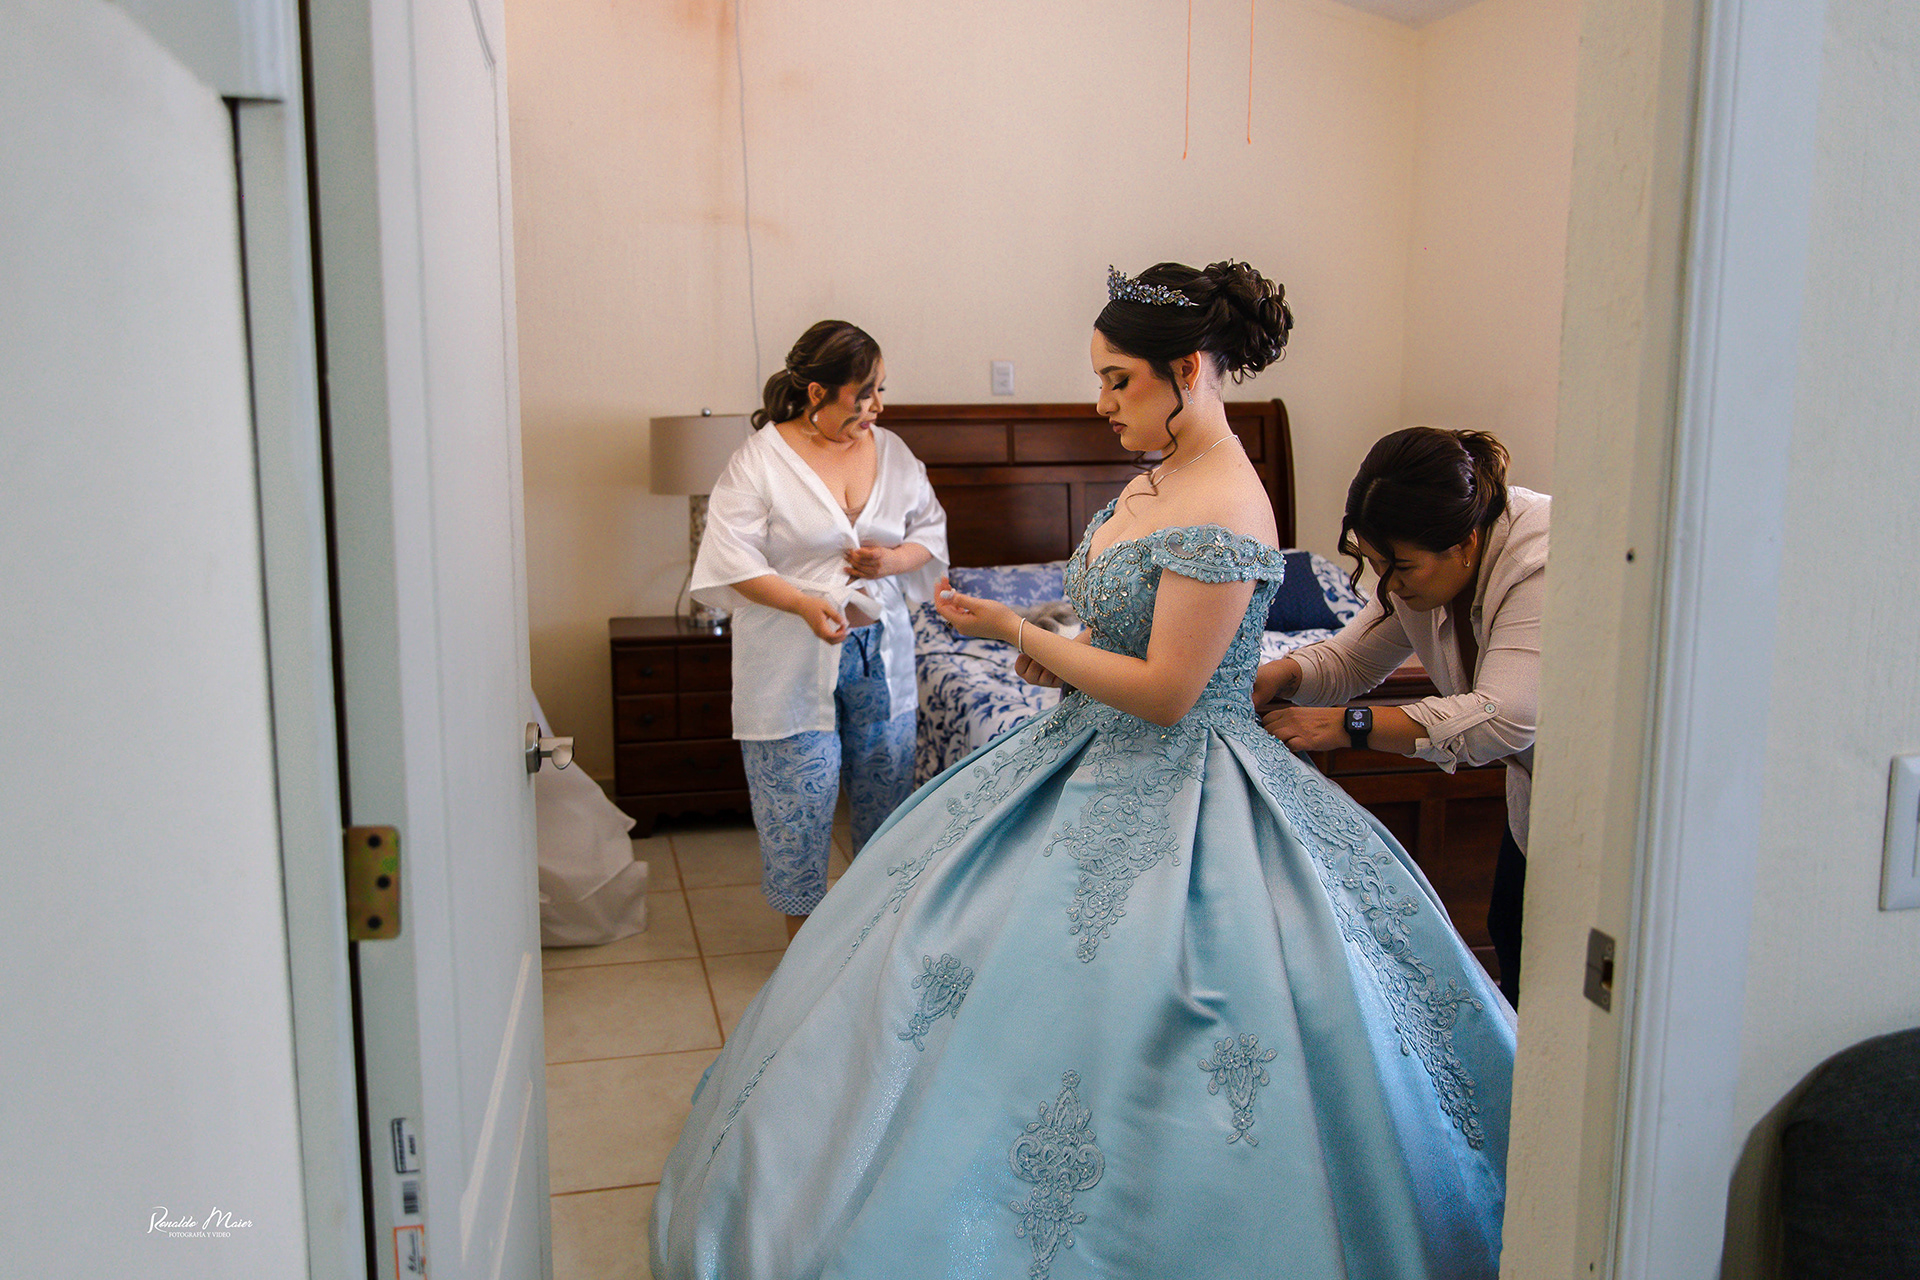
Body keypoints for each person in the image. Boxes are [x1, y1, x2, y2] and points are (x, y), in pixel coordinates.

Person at [653, 266, 1513, 1279]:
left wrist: (1025, 632)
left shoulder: (1226, 499)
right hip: (1081, 745)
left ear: (1184, 371)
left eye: (1116, 380)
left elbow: (1170, 694)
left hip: (1186, 775)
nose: (1099, 402)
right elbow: (1129, 633)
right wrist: (1065, 648)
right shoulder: (1156, 475)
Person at [1254, 427, 1546, 1005]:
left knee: (1551, 973)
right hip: (1533, 800)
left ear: (1464, 543)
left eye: (1401, 567)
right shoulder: (1417, 576)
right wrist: (1279, 675)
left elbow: (1504, 718)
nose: (1387, 585)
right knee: (1514, 936)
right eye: (1374, 564)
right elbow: (1351, 660)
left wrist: (1347, 726)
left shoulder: (1537, 563)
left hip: (1604, 800)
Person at [689, 320, 948, 937]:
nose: (878, 406)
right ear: (816, 393)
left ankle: (868, 950)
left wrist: (891, 561)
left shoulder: (894, 453)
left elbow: (929, 534)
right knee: (796, 807)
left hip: (880, 653)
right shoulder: (760, 461)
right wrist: (804, 605)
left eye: (882, 389)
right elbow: (730, 561)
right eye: (865, 392)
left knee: (886, 804)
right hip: (789, 654)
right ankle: (802, 967)